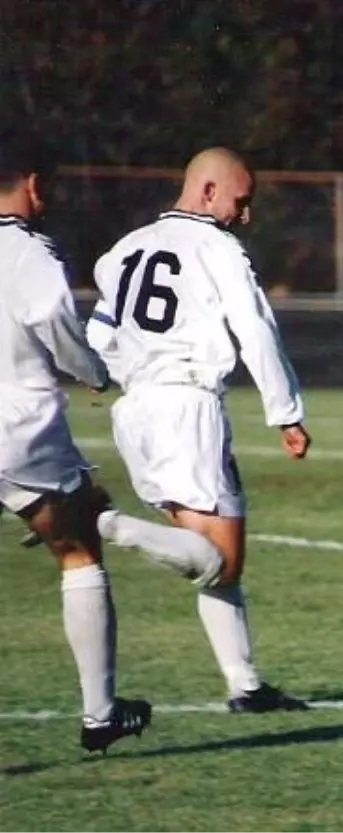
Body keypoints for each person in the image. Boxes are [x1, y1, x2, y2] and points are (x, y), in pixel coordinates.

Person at [87, 147, 311, 714]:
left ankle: (246, 686)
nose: (246, 215)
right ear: (209, 192)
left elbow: (99, 334)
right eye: (242, 201)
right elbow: (255, 330)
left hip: (135, 410)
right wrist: (285, 410)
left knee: (214, 558)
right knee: (222, 563)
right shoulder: (217, 248)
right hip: (188, 406)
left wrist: (101, 378)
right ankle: (105, 523)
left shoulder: (123, 251)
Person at [0, 129, 154, 753]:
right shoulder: (29, 253)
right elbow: (58, 329)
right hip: (19, 427)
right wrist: (95, 372)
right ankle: (100, 714)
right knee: (79, 547)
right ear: (34, 185)